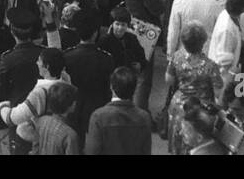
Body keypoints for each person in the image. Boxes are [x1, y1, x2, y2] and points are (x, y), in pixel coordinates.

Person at [164, 21, 222, 156]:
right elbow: (219, 93)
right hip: (200, 110)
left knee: (178, 141)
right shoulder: (210, 66)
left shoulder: (177, 57)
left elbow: (169, 80)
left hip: (179, 105)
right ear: (203, 42)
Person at [85, 66, 152, 155]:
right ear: (135, 89)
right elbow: (146, 151)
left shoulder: (98, 117)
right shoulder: (144, 117)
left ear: (111, 87)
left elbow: (92, 151)